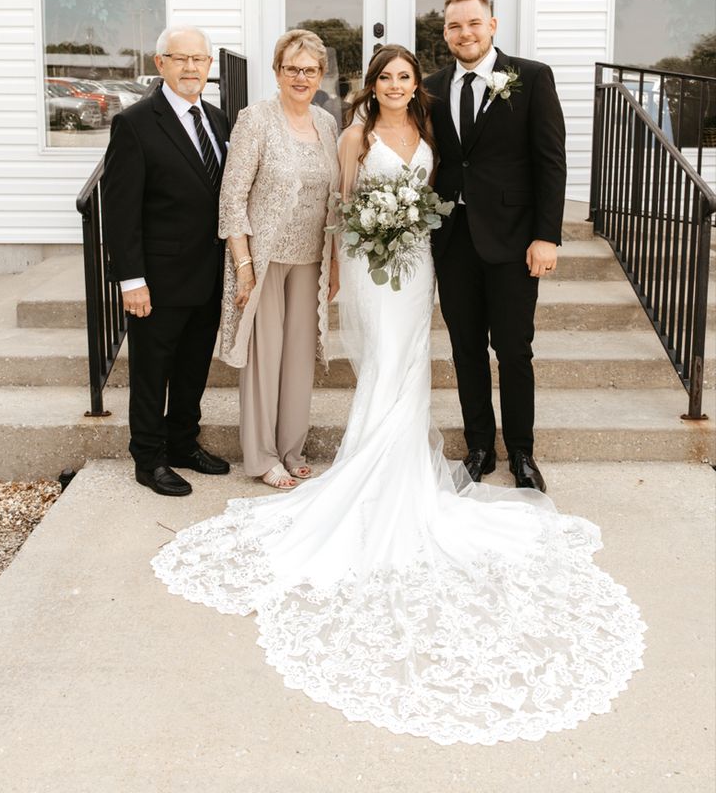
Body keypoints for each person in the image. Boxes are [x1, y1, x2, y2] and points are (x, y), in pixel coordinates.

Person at [152, 43, 645, 747]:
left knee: (414, 363)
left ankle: (405, 462)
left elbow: (447, 189)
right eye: (383, 75)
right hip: (370, 265)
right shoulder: (352, 134)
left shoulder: (431, 131)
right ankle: (361, 464)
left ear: (417, 84)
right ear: (370, 85)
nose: (393, 84)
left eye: (404, 76)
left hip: (416, 267)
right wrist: (348, 257)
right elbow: (341, 204)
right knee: (384, 362)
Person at [424, 0, 567, 493]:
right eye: (454, 26)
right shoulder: (432, 87)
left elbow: (550, 160)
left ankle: (522, 452)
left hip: (512, 240)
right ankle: (479, 447)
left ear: (493, 25)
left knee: (513, 349)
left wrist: (546, 236)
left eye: (473, 23)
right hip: (454, 240)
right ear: (445, 33)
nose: (464, 33)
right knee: (465, 349)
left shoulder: (530, 77)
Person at [102, 26, 231, 496]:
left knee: (194, 366)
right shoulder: (135, 123)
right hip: (157, 278)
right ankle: (149, 458)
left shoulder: (218, 120)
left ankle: (183, 443)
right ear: (161, 64)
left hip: (209, 274)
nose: (192, 68)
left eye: (200, 59)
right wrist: (131, 280)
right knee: (153, 372)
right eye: (181, 59)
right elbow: (120, 211)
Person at [218, 29, 340, 490]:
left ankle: (291, 448)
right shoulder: (255, 120)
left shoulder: (327, 124)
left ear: (321, 75)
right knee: (264, 358)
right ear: (277, 72)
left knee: (298, 360)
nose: (301, 77)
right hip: (264, 259)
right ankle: (262, 456)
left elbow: (333, 200)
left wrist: (332, 262)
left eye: (310, 70)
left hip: (310, 258)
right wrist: (244, 265)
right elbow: (232, 198)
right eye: (293, 68)